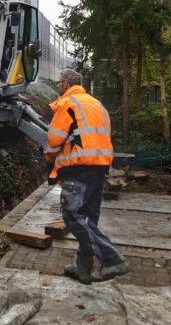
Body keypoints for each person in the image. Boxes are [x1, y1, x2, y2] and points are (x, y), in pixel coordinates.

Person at [44, 69, 129, 285]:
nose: (57, 86)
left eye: (59, 82)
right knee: (88, 220)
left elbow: (54, 140)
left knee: (72, 216)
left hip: (78, 169)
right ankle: (82, 269)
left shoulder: (67, 104)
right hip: (99, 169)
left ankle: (112, 259)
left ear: (66, 83)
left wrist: (49, 160)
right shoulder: (98, 106)